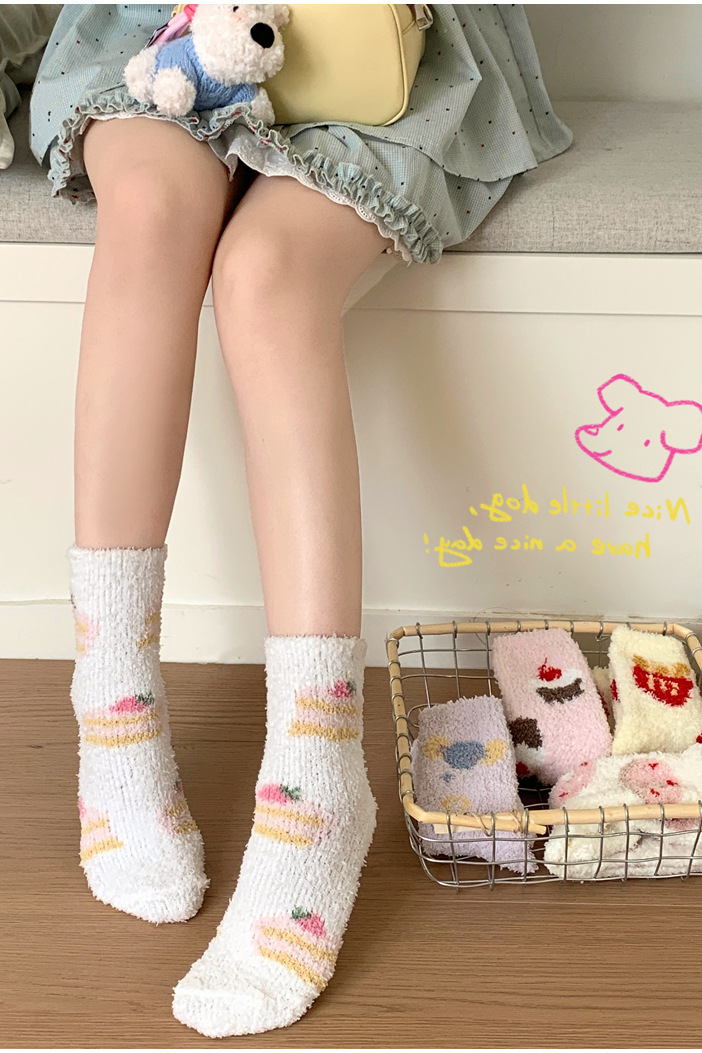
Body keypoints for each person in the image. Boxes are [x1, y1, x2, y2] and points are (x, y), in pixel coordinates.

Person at [29, 3, 573, 1039]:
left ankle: (317, 781)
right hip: (158, 32)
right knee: (151, 211)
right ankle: (114, 718)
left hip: (378, 51)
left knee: (266, 277)